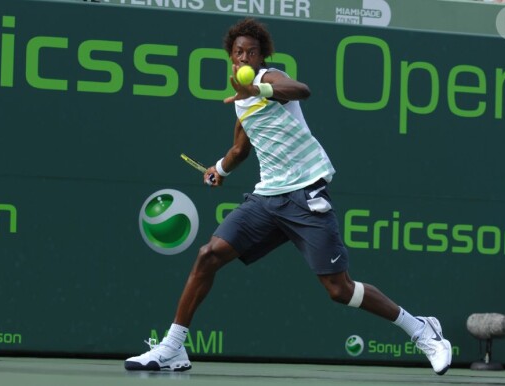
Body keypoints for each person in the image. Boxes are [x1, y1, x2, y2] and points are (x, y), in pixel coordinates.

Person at [124, 18, 452, 376]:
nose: (244, 58)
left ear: (262, 56)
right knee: (209, 255)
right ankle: (173, 347)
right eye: (238, 53)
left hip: (305, 193)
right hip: (267, 199)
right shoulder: (241, 103)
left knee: (339, 290)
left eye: (251, 52)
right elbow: (240, 148)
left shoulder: (270, 80)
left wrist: (260, 91)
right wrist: (219, 169)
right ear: (231, 59)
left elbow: (302, 90)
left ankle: (422, 330)